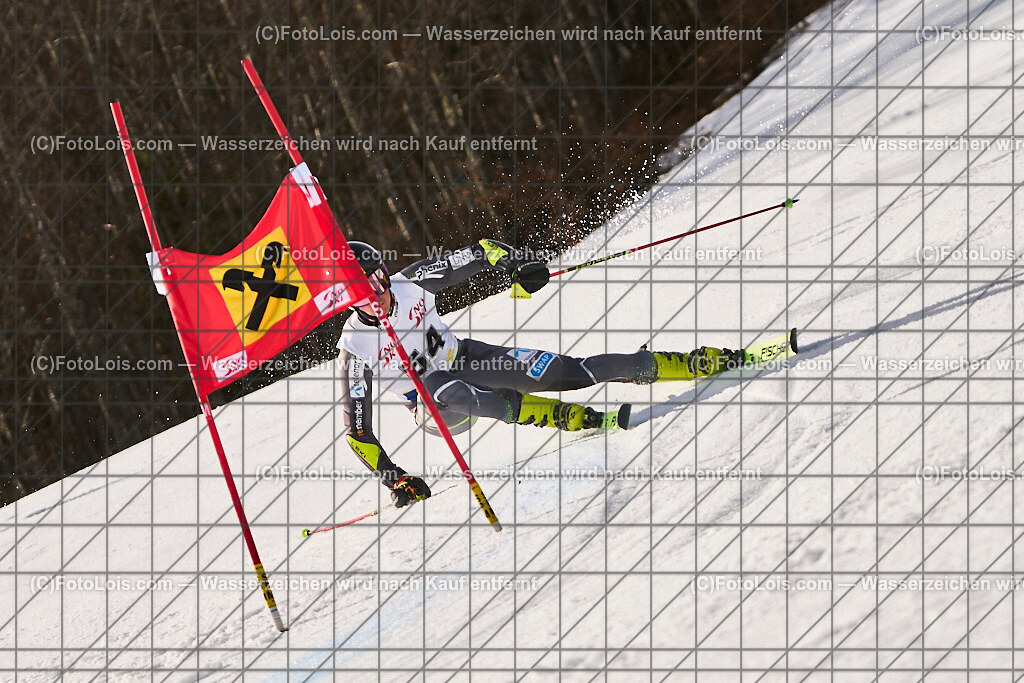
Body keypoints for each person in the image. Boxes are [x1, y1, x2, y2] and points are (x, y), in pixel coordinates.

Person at [337, 239, 745, 507]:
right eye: (360, 293)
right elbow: (357, 433)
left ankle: (691, 362)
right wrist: (396, 479)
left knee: (570, 372)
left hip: (468, 357)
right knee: (443, 387)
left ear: (384, 275)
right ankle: (553, 414)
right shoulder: (354, 349)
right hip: (436, 408)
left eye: (375, 282)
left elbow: (481, 251)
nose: (374, 297)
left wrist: (517, 265)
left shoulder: (413, 282)